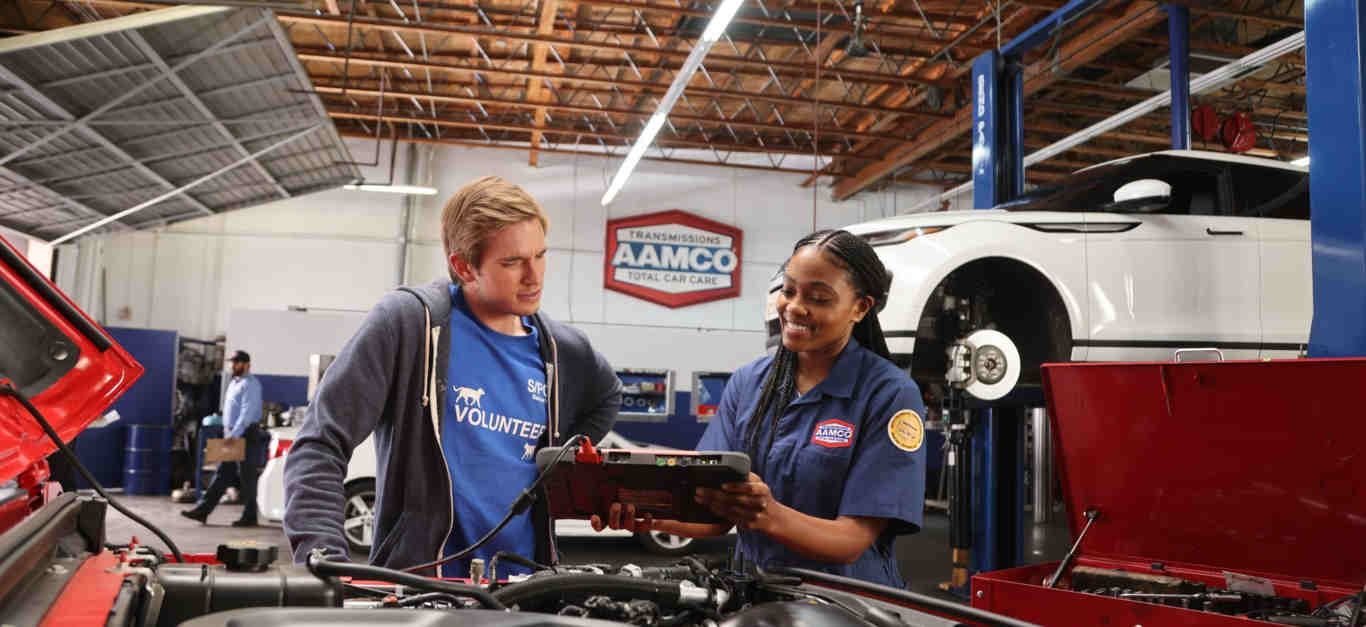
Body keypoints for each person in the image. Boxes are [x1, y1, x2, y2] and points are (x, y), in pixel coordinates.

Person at [284, 176, 622, 577]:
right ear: (464, 266)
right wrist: (324, 561)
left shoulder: (562, 349)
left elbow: (607, 397)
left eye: (541, 255)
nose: (534, 276)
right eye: (513, 262)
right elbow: (319, 444)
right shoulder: (410, 326)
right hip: (420, 589)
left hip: (526, 589)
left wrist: (561, 472)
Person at [595, 230, 927, 588]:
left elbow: (850, 540)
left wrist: (768, 515)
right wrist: (644, 515)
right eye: (789, 290)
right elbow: (712, 515)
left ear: (860, 308)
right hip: (755, 594)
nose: (795, 307)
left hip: (849, 603)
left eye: (818, 297)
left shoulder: (890, 395)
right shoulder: (750, 382)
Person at [182, 350, 266, 527]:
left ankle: (250, 516)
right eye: (232, 362)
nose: (232, 365)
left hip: (244, 434)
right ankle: (202, 511)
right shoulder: (234, 383)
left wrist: (234, 435)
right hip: (232, 433)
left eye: (236, 362)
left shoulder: (250, 384)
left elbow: (247, 412)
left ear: (246, 364)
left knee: (247, 477)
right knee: (222, 474)